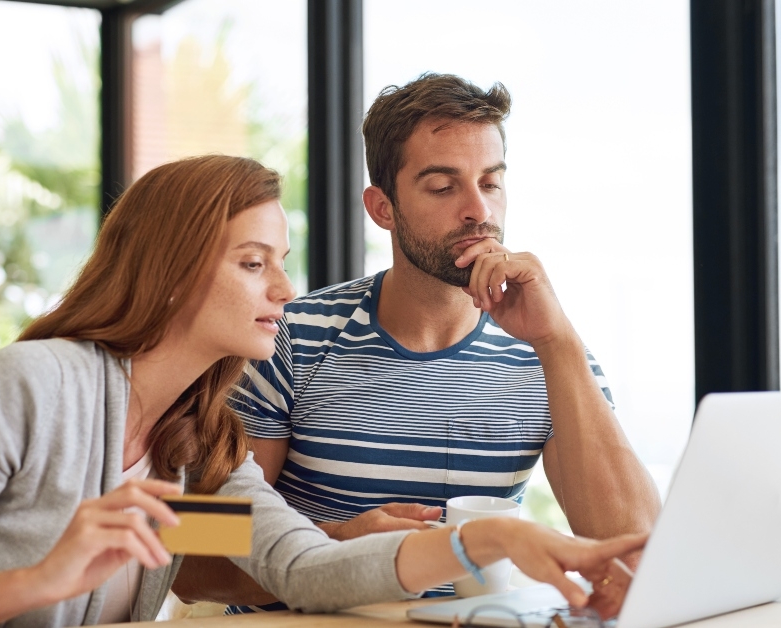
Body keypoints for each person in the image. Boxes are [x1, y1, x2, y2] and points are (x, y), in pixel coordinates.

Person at [0, 155, 647, 628]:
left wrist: (493, 541)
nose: (285, 290)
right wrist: (43, 580)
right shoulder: (24, 391)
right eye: (254, 264)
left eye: (282, 261)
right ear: (169, 276)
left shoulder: (196, 441)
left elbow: (300, 567)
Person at [178, 74, 662, 618]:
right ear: (382, 208)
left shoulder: (549, 354)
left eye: (492, 182)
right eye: (443, 186)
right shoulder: (286, 338)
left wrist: (558, 342)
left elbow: (637, 555)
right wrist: (334, 543)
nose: (479, 211)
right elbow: (190, 560)